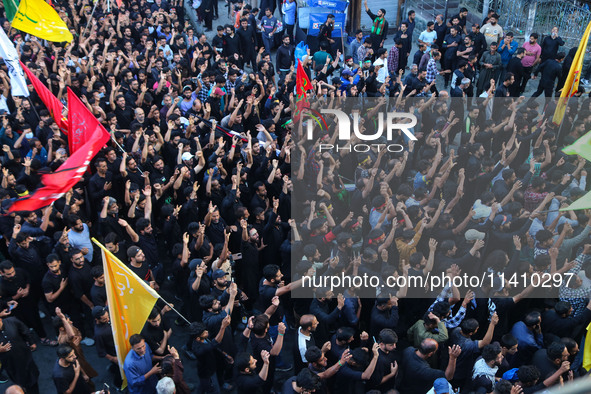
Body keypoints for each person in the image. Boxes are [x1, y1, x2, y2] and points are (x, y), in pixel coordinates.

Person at [0, 314, 40, 394]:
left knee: (33, 378)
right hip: (11, 364)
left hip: (25, 357)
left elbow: (25, 330)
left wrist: (32, 342)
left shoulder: (12, 321)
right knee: (19, 381)